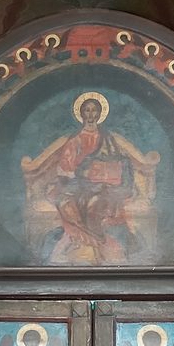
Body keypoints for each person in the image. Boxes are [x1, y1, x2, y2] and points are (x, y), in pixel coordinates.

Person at [47, 95, 136, 263]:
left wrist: (104, 172)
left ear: (99, 114)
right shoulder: (75, 140)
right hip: (78, 184)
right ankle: (87, 244)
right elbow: (65, 167)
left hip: (103, 185)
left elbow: (117, 160)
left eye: (94, 110)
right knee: (67, 201)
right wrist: (82, 173)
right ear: (81, 114)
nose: (90, 114)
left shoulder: (107, 139)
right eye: (87, 110)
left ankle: (96, 245)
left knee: (96, 203)